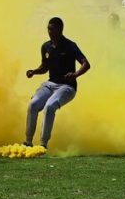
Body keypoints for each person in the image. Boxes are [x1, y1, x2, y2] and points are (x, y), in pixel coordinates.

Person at [24, 17, 90, 149]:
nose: (49, 31)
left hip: (67, 87)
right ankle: (28, 142)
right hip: (50, 84)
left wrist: (75, 74)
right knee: (33, 104)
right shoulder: (46, 47)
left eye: (52, 29)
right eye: (48, 29)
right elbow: (45, 67)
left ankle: (43, 144)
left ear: (60, 30)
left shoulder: (70, 46)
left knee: (49, 106)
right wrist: (34, 72)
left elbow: (86, 64)